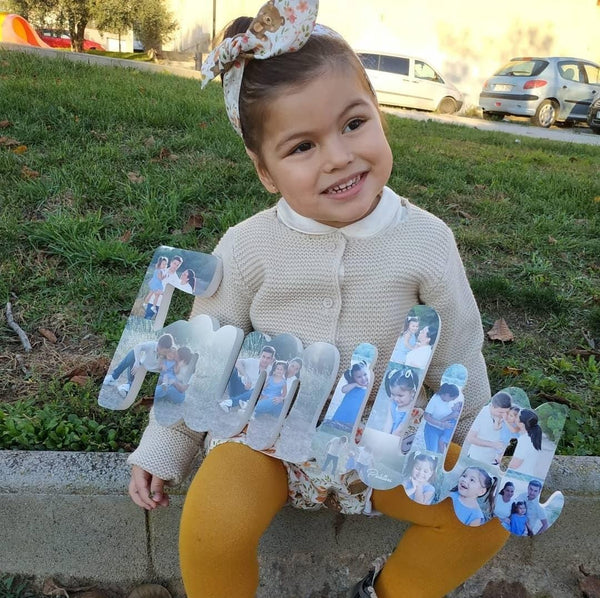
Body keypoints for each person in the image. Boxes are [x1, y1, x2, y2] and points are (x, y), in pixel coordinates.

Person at [126, 4, 509, 597]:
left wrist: (483, 448)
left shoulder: (427, 242)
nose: (337, 156)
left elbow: (456, 354)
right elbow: (202, 359)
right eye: (302, 146)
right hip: (266, 437)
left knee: (481, 514)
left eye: (353, 124)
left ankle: (389, 592)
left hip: (386, 441)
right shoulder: (249, 247)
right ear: (266, 171)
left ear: (380, 115)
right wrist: (165, 446)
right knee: (211, 524)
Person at [103, 333, 174, 397]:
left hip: (148, 377)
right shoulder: (153, 345)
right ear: (159, 346)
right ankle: (114, 377)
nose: (165, 353)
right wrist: (137, 361)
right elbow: (138, 346)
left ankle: (128, 386)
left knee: (149, 384)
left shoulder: (170, 353)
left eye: (167, 351)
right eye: (164, 351)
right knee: (132, 353)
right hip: (138, 370)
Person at [220, 345, 276, 412]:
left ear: (272, 359)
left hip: (251, 394)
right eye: (263, 356)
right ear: (260, 355)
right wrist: (246, 377)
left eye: (268, 358)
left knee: (256, 391)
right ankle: (225, 395)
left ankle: (229, 402)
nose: (265, 360)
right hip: (239, 387)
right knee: (233, 369)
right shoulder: (252, 361)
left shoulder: (271, 371)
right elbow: (237, 362)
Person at [466, 391, 512, 465]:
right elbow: (470, 438)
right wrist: (493, 444)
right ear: (492, 406)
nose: (504, 415)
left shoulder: (508, 415)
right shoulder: (480, 414)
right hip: (477, 459)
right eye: (501, 412)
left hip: (495, 462)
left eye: (506, 412)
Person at [329, 361, 369, 431]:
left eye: (365, 374)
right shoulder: (352, 386)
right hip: (341, 415)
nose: (363, 378)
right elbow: (343, 390)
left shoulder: (368, 389)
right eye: (359, 377)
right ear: (354, 378)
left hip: (353, 419)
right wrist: (355, 384)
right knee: (333, 430)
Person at [422, 383, 461, 453]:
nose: (452, 400)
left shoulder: (450, 402)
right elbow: (426, 416)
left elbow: (451, 415)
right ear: (447, 394)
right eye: (452, 398)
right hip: (432, 429)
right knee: (432, 451)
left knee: (439, 453)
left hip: (443, 431)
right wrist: (441, 424)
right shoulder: (435, 399)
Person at [381, 368, 418, 436]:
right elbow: (388, 423)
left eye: (400, 395)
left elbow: (400, 431)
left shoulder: (411, 409)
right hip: (391, 436)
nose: (396, 399)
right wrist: (384, 436)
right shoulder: (393, 404)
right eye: (393, 394)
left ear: (412, 393)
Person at [507, 408, 543, 475]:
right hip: (526, 475)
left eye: (517, 416)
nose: (515, 416)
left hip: (517, 477)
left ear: (521, 424)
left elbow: (515, 464)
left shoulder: (525, 440)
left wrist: (501, 460)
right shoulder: (533, 438)